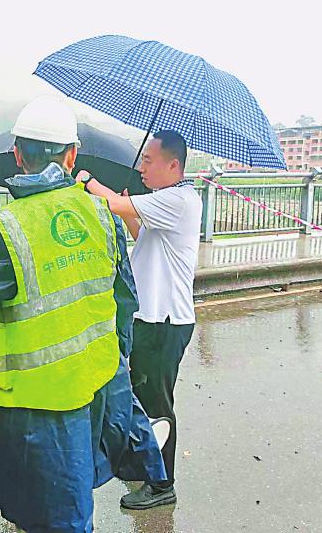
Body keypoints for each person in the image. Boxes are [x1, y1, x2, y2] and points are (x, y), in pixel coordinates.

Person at [0, 96, 165, 532]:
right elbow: (124, 299)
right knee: (72, 491)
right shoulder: (101, 214)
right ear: (71, 155)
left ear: (16, 154)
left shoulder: (9, 228)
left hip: (29, 399)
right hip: (93, 381)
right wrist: (116, 369)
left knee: (43, 506)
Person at [76, 129, 202, 509]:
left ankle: (162, 485)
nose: (142, 166)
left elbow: (112, 205)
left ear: (173, 165)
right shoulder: (167, 201)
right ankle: (146, 468)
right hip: (152, 318)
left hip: (164, 320)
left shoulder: (179, 200)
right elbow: (143, 233)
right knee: (144, 398)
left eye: (149, 160)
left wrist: (87, 181)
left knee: (157, 403)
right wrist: (131, 207)